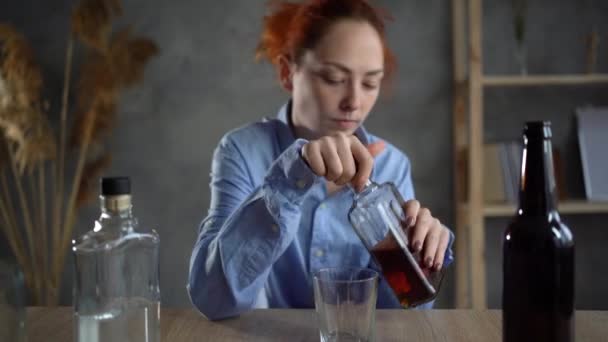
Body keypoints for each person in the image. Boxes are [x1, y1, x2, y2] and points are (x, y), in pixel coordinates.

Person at [188, 0, 454, 321]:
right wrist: (291, 180)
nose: (354, 102)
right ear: (288, 73)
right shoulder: (243, 151)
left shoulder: (392, 165)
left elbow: (402, 315)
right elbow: (212, 297)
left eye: (370, 83)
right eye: (333, 78)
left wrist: (422, 260)